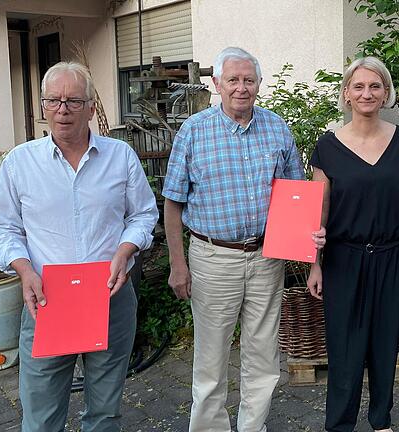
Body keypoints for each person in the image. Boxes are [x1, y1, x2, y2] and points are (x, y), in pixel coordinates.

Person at [0, 61, 158, 431]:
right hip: (47, 300)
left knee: (105, 412)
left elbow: (144, 215)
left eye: (74, 101)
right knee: (42, 416)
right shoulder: (20, 163)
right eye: (54, 100)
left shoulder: (120, 156)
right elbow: (2, 228)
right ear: (44, 107)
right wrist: (24, 269)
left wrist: (126, 250)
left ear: (91, 107)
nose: (63, 109)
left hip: (110, 297)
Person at [162, 46, 325, 432]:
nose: (241, 87)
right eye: (232, 80)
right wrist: (177, 263)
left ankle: (254, 427)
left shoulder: (276, 127)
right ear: (217, 84)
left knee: (263, 356)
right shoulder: (194, 131)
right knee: (210, 361)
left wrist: (306, 240)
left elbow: (294, 194)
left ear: (258, 84)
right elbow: (172, 202)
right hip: (213, 258)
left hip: (267, 256)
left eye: (248, 80)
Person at [306, 56, 399, 432]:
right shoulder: (327, 147)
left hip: (396, 255)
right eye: (358, 86)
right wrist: (314, 262)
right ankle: (340, 424)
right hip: (344, 259)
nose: (367, 93)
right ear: (346, 94)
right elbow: (319, 209)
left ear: (386, 93)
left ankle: (381, 421)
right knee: (344, 349)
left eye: (375, 86)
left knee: (384, 347)